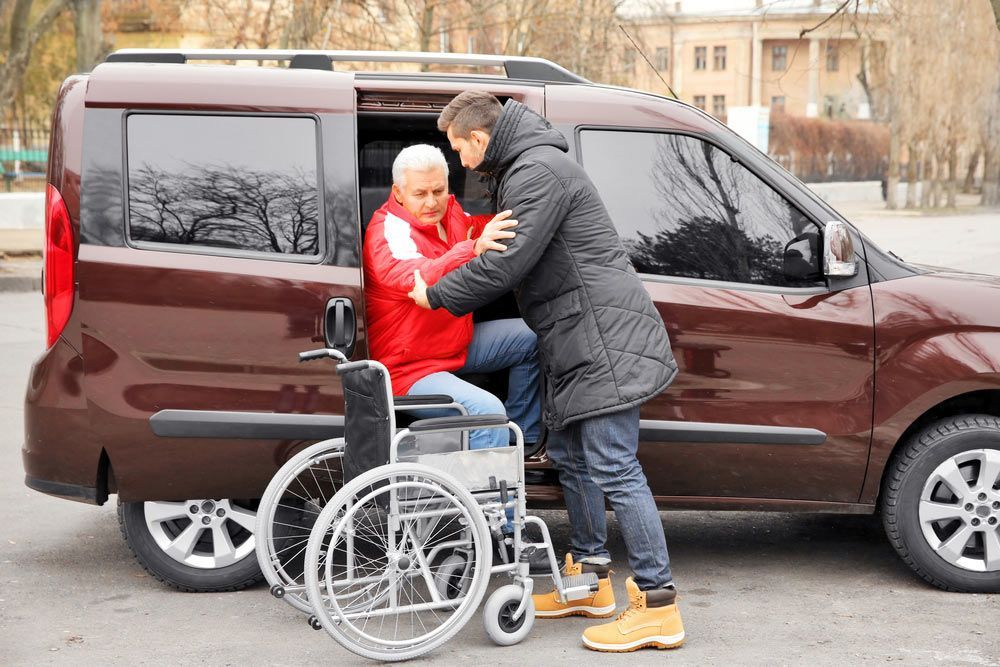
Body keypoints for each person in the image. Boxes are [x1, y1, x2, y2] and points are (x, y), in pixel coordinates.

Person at [408, 93, 685, 652]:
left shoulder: (538, 171)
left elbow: (507, 264)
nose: (460, 161)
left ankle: (658, 606)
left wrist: (434, 294)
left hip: (602, 339)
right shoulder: (523, 168)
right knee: (572, 459)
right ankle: (589, 582)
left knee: (615, 466)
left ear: (480, 139)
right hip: (574, 336)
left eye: (459, 149)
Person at [363, 143, 541, 457]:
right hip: (410, 368)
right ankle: (490, 488)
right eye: (420, 194)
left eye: (439, 191)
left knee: (533, 337)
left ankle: (520, 447)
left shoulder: (452, 215)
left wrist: (534, 216)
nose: (432, 202)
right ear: (398, 193)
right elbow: (418, 277)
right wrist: (471, 249)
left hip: (452, 345)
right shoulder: (388, 231)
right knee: (487, 411)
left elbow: (482, 227)